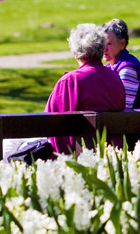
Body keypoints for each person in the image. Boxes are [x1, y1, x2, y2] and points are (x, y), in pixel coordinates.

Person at [42, 23, 127, 155]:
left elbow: (50, 125)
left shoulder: (70, 81)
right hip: (112, 156)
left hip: (79, 157)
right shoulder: (115, 78)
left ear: (76, 53)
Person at [101, 18, 140, 148]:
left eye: (109, 44)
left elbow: (124, 106)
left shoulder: (127, 68)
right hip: (124, 134)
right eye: (101, 43)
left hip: (135, 140)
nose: (104, 49)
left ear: (122, 44)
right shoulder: (110, 66)